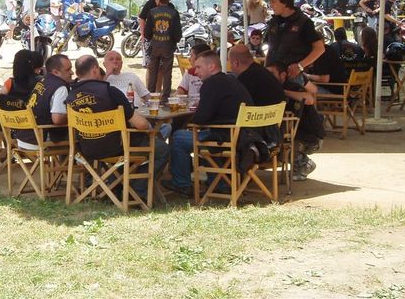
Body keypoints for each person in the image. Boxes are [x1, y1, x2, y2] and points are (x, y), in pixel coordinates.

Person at [66, 55, 169, 199]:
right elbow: (141, 124)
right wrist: (149, 127)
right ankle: (136, 191)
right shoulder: (110, 92)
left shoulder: (70, 97)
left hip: (86, 149)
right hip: (117, 148)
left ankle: (116, 187)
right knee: (162, 149)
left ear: (77, 73)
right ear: (95, 69)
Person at [163, 51, 253, 197]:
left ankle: (182, 184)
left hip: (225, 137)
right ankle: (219, 183)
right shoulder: (232, 80)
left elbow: (200, 119)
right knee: (205, 135)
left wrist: (192, 119)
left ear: (211, 66)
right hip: (245, 136)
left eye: (198, 67)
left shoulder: (211, 84)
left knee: (179, 137)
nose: (195, 71)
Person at [267, 61, 322, 181]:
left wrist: (283, 92)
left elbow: (309, 99)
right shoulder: (269, 88)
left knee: (283, 145)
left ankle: (305, 164)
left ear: (282, 75)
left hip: (309, 135)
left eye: (271, 73)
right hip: (289, 131)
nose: (268, 76)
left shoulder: (292, 86)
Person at [266, 0, 325, 81]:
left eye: (273, 2)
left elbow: (320, 48)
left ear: (285, 3)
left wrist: (300, 66)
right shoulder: (274, 21)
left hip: (292, 77)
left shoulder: (304, 22)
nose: (270, 5)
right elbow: (270, 48)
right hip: (272, 74)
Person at [16, 54, 74, 150]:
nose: (72, 72)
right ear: (56, 72)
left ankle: (64, 159)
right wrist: (75, 117)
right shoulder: (61, 88)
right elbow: (57, 119)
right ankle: (70, 159)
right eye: (68, 70)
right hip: (39, 140)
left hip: (23, 137)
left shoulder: (43, 81)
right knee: (83, 136)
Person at [144, 0, 182, 103]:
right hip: (168, 46)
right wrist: (174, 41)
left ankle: (151, 96)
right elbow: (177, 33)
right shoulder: (174, 12)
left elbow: (147, 32)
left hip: (155, 45)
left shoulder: (152, 12)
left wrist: (152, 38)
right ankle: (165, 98)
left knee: (153, 72)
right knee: (167, 73)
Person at [138, 0, 172, 78]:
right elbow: (142, 18)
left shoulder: (171, 6)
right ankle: (149, 87)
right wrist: (143, 35)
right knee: (150, 67)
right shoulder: (150, 3)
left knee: (161, 68)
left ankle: (158, 88)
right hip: (150, 39)